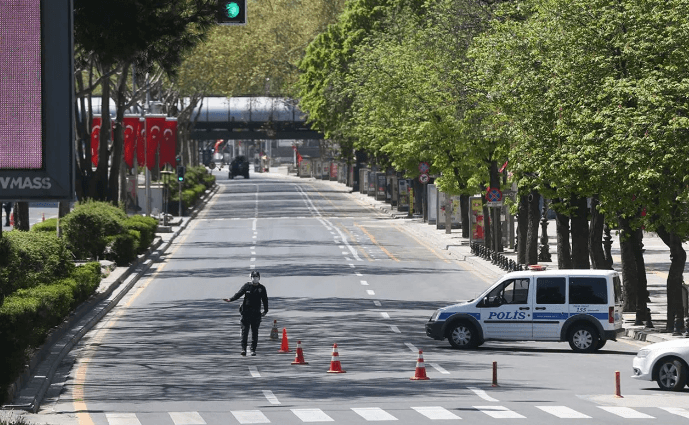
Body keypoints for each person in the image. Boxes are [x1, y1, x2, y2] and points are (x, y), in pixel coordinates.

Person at [223, 270, 269, 356]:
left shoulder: (262, 288)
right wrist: (230, 299)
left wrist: (265, 311)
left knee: (255, 332)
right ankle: (243, 348)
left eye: (256, 277)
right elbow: (239, 294)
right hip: (246, 313)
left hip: (256, 314)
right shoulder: (247, 286)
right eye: (253, 277)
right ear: (251, 278)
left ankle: (253, 350)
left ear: (259, 278)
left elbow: (265, 300)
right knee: (245, 331)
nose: (255, 279)